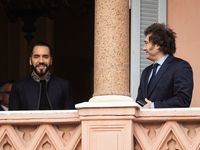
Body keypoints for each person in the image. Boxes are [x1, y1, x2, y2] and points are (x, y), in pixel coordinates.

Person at [136, 23, 193, 108]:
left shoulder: (180, 66)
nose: (144, 48)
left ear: (158, 44)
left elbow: (183, 100)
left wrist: (153, 106)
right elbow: (140, 101)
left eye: (146, 43)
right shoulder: (146, 72)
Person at [9, 42, 74, 110]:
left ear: (51, 61)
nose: (41, 61)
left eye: (45, 57)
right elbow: (13, 118)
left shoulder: (64, 86)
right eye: (36, 57)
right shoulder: (18, 87)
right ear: (30, 61)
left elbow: (70, 117)